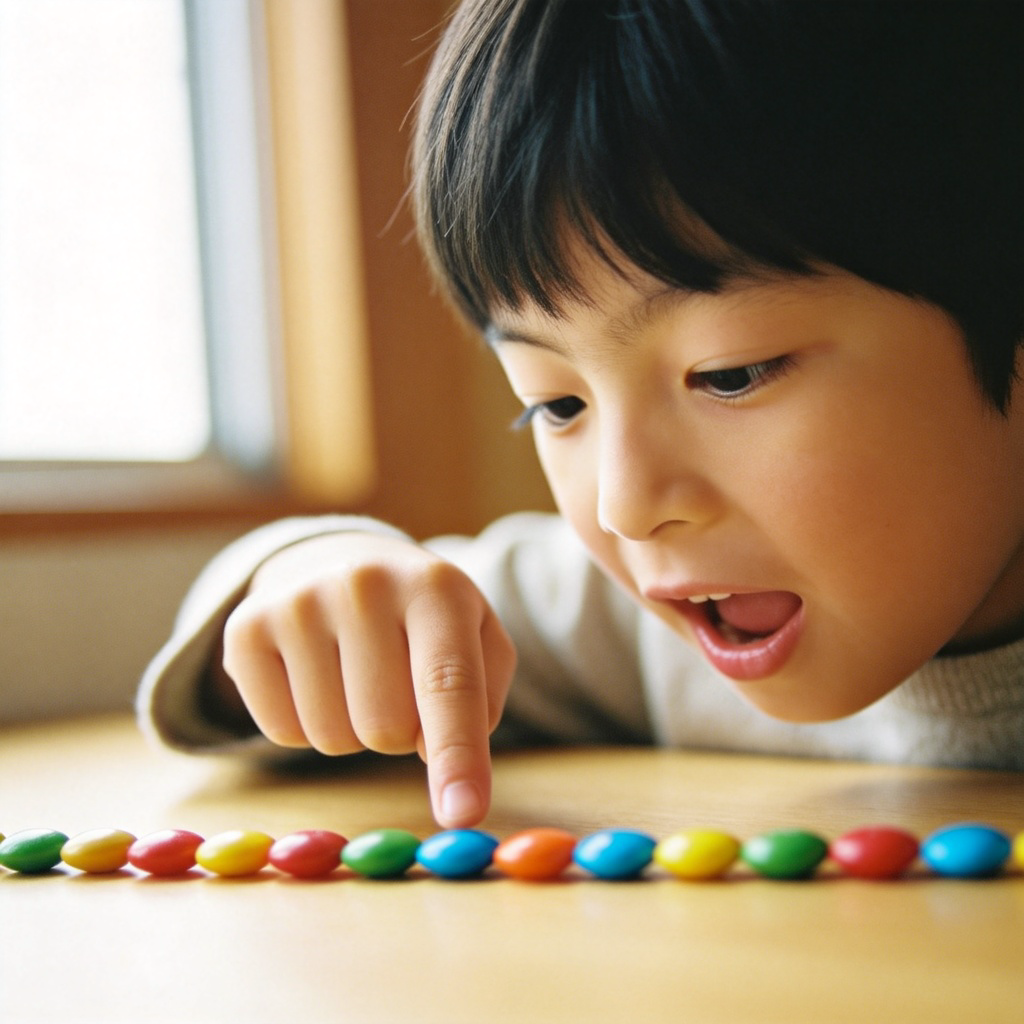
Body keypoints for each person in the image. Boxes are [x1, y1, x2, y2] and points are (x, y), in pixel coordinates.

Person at [138, 0, 1024, 829]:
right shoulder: (649, 622)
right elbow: (311, 646)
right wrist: (320, 582)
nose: (625, 505)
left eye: (730, 375)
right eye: (555, 403)